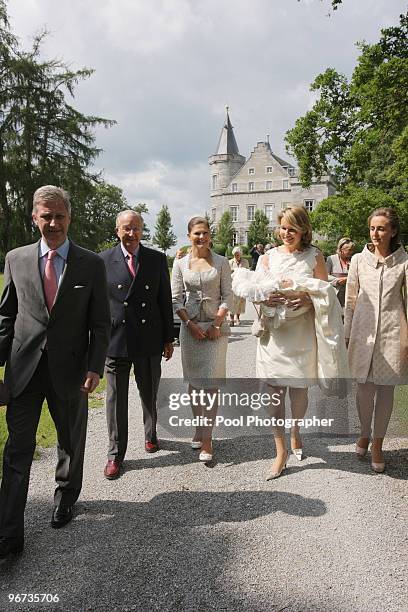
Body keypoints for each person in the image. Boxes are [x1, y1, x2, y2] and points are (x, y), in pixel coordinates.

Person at [0, 185, 111, 559]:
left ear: (69, 217)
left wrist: (95, 367)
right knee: (17, 450)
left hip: (72, 371)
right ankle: (8, 534)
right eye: (45, 216)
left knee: (69, 441)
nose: (52, 223)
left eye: (59, 216)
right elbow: (6, 317)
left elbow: (101, 322)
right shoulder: (15, 259)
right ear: (35, 217)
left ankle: (65, 497)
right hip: (24, 370)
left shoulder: (91, 264)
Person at [99, 210, 174, 480]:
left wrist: (168, 337)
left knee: (149, 391)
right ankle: (115, 454)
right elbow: (96, 305)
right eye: (126, 228)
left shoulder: (155, 259)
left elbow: (164, 300)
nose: (131, 234)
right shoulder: (103, 260)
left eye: (136, 228)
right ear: (117, 230)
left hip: (149, 338)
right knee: (115, 400)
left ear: (142, 230)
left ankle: (151, 434)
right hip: (116, 340)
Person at [256, 207, 329, 479]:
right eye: (283, 228)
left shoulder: (315, 256)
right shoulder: (267, 257)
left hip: (301, 332)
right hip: (273, 334)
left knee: (298, 390)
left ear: (303, 231)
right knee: (273, 391)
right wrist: (263, 299)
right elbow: (254, 290)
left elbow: (326, 293)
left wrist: (309, 300)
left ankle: (296, 429)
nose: (287, 233)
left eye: (292, 229)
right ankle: (280, 450)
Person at [344, 208, 408, 473]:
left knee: (385, 391)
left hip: (393, 333)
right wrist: (347, 332)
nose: (375, 233)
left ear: (393, 231)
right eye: (372, 228)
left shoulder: (404, 262)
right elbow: (350, 298)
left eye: (381, 228)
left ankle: (379, 443)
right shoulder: (359, 260)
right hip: (362, 331)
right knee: (364, 389)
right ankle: (364, 432)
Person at [171, 216, 233, 462]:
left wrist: (217, 323)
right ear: (189, 236)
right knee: (195, 384)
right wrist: (189, 324)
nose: (202, 237)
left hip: (216, 329)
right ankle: (199, 428)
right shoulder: (181, 264)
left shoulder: (221, 262)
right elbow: (176, 299)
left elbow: (228, 295)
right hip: (190, 328)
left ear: (210, 235)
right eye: (197, 233)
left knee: (211, 384)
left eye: (205, 232)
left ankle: (207, 439)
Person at [326, 238, 355, 308]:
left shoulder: (354, 260)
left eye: (352, 250)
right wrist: (337, 281)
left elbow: (358, 276)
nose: (351, 252)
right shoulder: (331, 259)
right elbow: (325, 275)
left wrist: (347, 279)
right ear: (341, 249)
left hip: (349, 295)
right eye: (349, 250)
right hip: (334, 294)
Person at [229, 246, 249, 326]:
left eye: (238, 254)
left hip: (242, 285)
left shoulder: (245, 262)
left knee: (240, 302)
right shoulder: (230, 262)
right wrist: (232, 271)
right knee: (232, 302)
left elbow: (248, 272)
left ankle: (237, 318)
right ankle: (231, 319)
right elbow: (226, 274)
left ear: (241, 254)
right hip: (233, 285)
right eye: (235, 254)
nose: (236, 256)